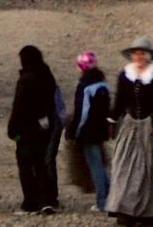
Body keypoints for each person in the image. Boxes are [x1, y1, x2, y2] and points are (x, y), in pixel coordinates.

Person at [107, 37, 153, 225]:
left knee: (151, 170)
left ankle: (152, 211)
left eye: (142, 53)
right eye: (136, 53)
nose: (139, 56)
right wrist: (111, 120)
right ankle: (126, 210)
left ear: (149, 56)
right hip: (131, 127)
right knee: (125, 169)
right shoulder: (125, 75)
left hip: (152, 126)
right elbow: (120, 102)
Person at [9, 45, 62, 214]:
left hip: (25, 130)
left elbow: (18, 106)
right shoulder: (47, 75)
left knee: (25, 166)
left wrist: (12, 129)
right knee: (41, 165)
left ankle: (30, 202)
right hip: (44, 127)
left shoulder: (25, 79)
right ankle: (46, 199)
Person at [67, 51, 112, 213]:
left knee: (96, 167)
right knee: (100, 164)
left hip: (88, 132)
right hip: (100, 131)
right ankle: (112, 195)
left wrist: (74, 132)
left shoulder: (84, 86)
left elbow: (82, 113)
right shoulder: (102, 85)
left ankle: (102, 201)